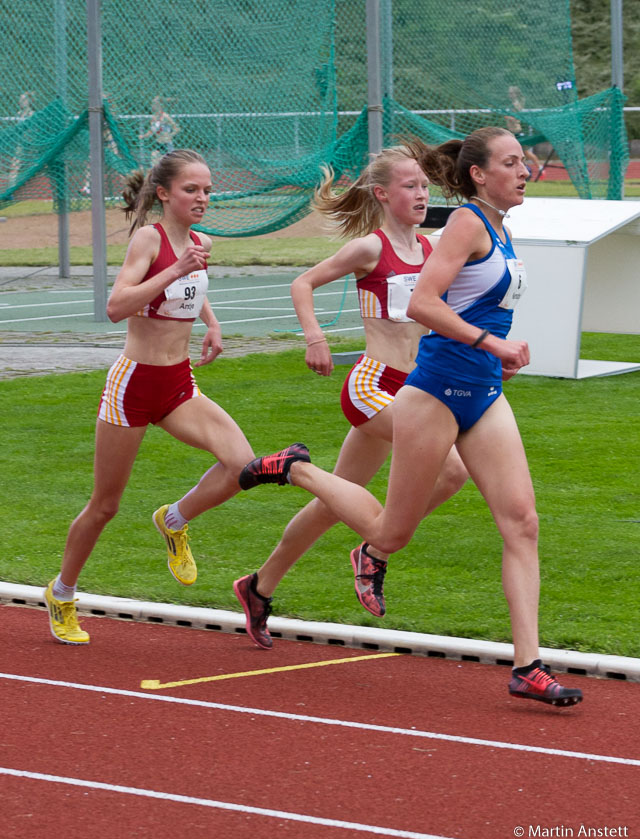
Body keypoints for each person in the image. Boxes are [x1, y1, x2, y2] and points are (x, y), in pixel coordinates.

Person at [238, 127, 583, 708]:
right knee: (388, 531)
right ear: (480, 173)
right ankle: (297, 469)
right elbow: (423, 302)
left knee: (522, 521)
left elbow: (459, 308)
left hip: (481, 392)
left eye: (524, 162)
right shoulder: (465, 224)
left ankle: (528, 666)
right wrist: (488, 343)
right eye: (512, 162)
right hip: (422, 393)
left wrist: (495, 352)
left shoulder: (498, 227)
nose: (525, 170)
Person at [232, 149, 469, 648]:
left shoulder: (431, 251)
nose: (422, 194)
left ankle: (258, 587)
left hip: (416, 387)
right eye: (410, 186)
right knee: (452, 471)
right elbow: (303, 283)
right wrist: (315, 338)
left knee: (334, 505)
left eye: (425, 186)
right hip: (372, 385)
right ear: (383, 194)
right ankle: (349, 521)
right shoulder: (369, 248)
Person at [44, 149, 255, 645]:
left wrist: (213, 323)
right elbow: (117, 305)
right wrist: (176, 268)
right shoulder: (149, 239)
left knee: (241, 465)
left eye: (207, 189)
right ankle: (62, 592)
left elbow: (192, 290)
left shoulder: (199, 242)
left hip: (178, 384)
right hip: (134, 386)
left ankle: (174, 519)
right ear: (164, 194)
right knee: (105, 505)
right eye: (191, 190)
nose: (203, 198)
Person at [505, 86, 543, 180]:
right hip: (511, 132)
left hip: (517, 132)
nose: (509, 95)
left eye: (511, 93)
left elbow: (517, 117)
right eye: (509, 93)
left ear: (515, 94)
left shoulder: (517, 104)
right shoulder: (512, 104)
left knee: (525, 152)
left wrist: (508, 117)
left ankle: (540, 168)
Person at [139, 95, 180, 165]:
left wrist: (170, 135)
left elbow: (177, 128)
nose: (153, 106)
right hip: (158, 143)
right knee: (154, 159)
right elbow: (151, 131)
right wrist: (143, 136)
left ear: (159, 105)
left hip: (166, 143)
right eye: (152, 104)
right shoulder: (154, 117)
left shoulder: (165, 116)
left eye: (154, 104)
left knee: (168, 163)